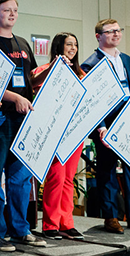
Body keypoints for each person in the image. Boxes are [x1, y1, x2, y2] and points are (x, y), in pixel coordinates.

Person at [0, 0, 47, 251]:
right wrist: (14, 97)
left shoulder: (23, 43)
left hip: (23, 119)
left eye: (15, 10)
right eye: (7, 10)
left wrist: (52, 73)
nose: (13, 14)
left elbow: (31, 80)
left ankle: (20, 230)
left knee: (20, 178)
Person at [31, 33, 86, 240]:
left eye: (75, 44)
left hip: (75, 134)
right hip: (53, 132)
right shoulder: (43, 71)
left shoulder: (81, 73)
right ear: (58, 47)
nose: (72, 48)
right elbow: (35, 92)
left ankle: (66, 223)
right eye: (68, 44)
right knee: (56, 177)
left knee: (69, 180)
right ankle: (50, 225)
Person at [81, 19, 130, 234]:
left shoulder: (127, 60)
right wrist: (100, 127)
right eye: (110, 32)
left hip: (128, 121)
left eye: (118, 31)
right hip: (107, 125)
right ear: (98, 36)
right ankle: (110, 217)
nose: (115, 34)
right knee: (107, 170)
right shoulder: (90, 64)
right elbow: (90, 101)